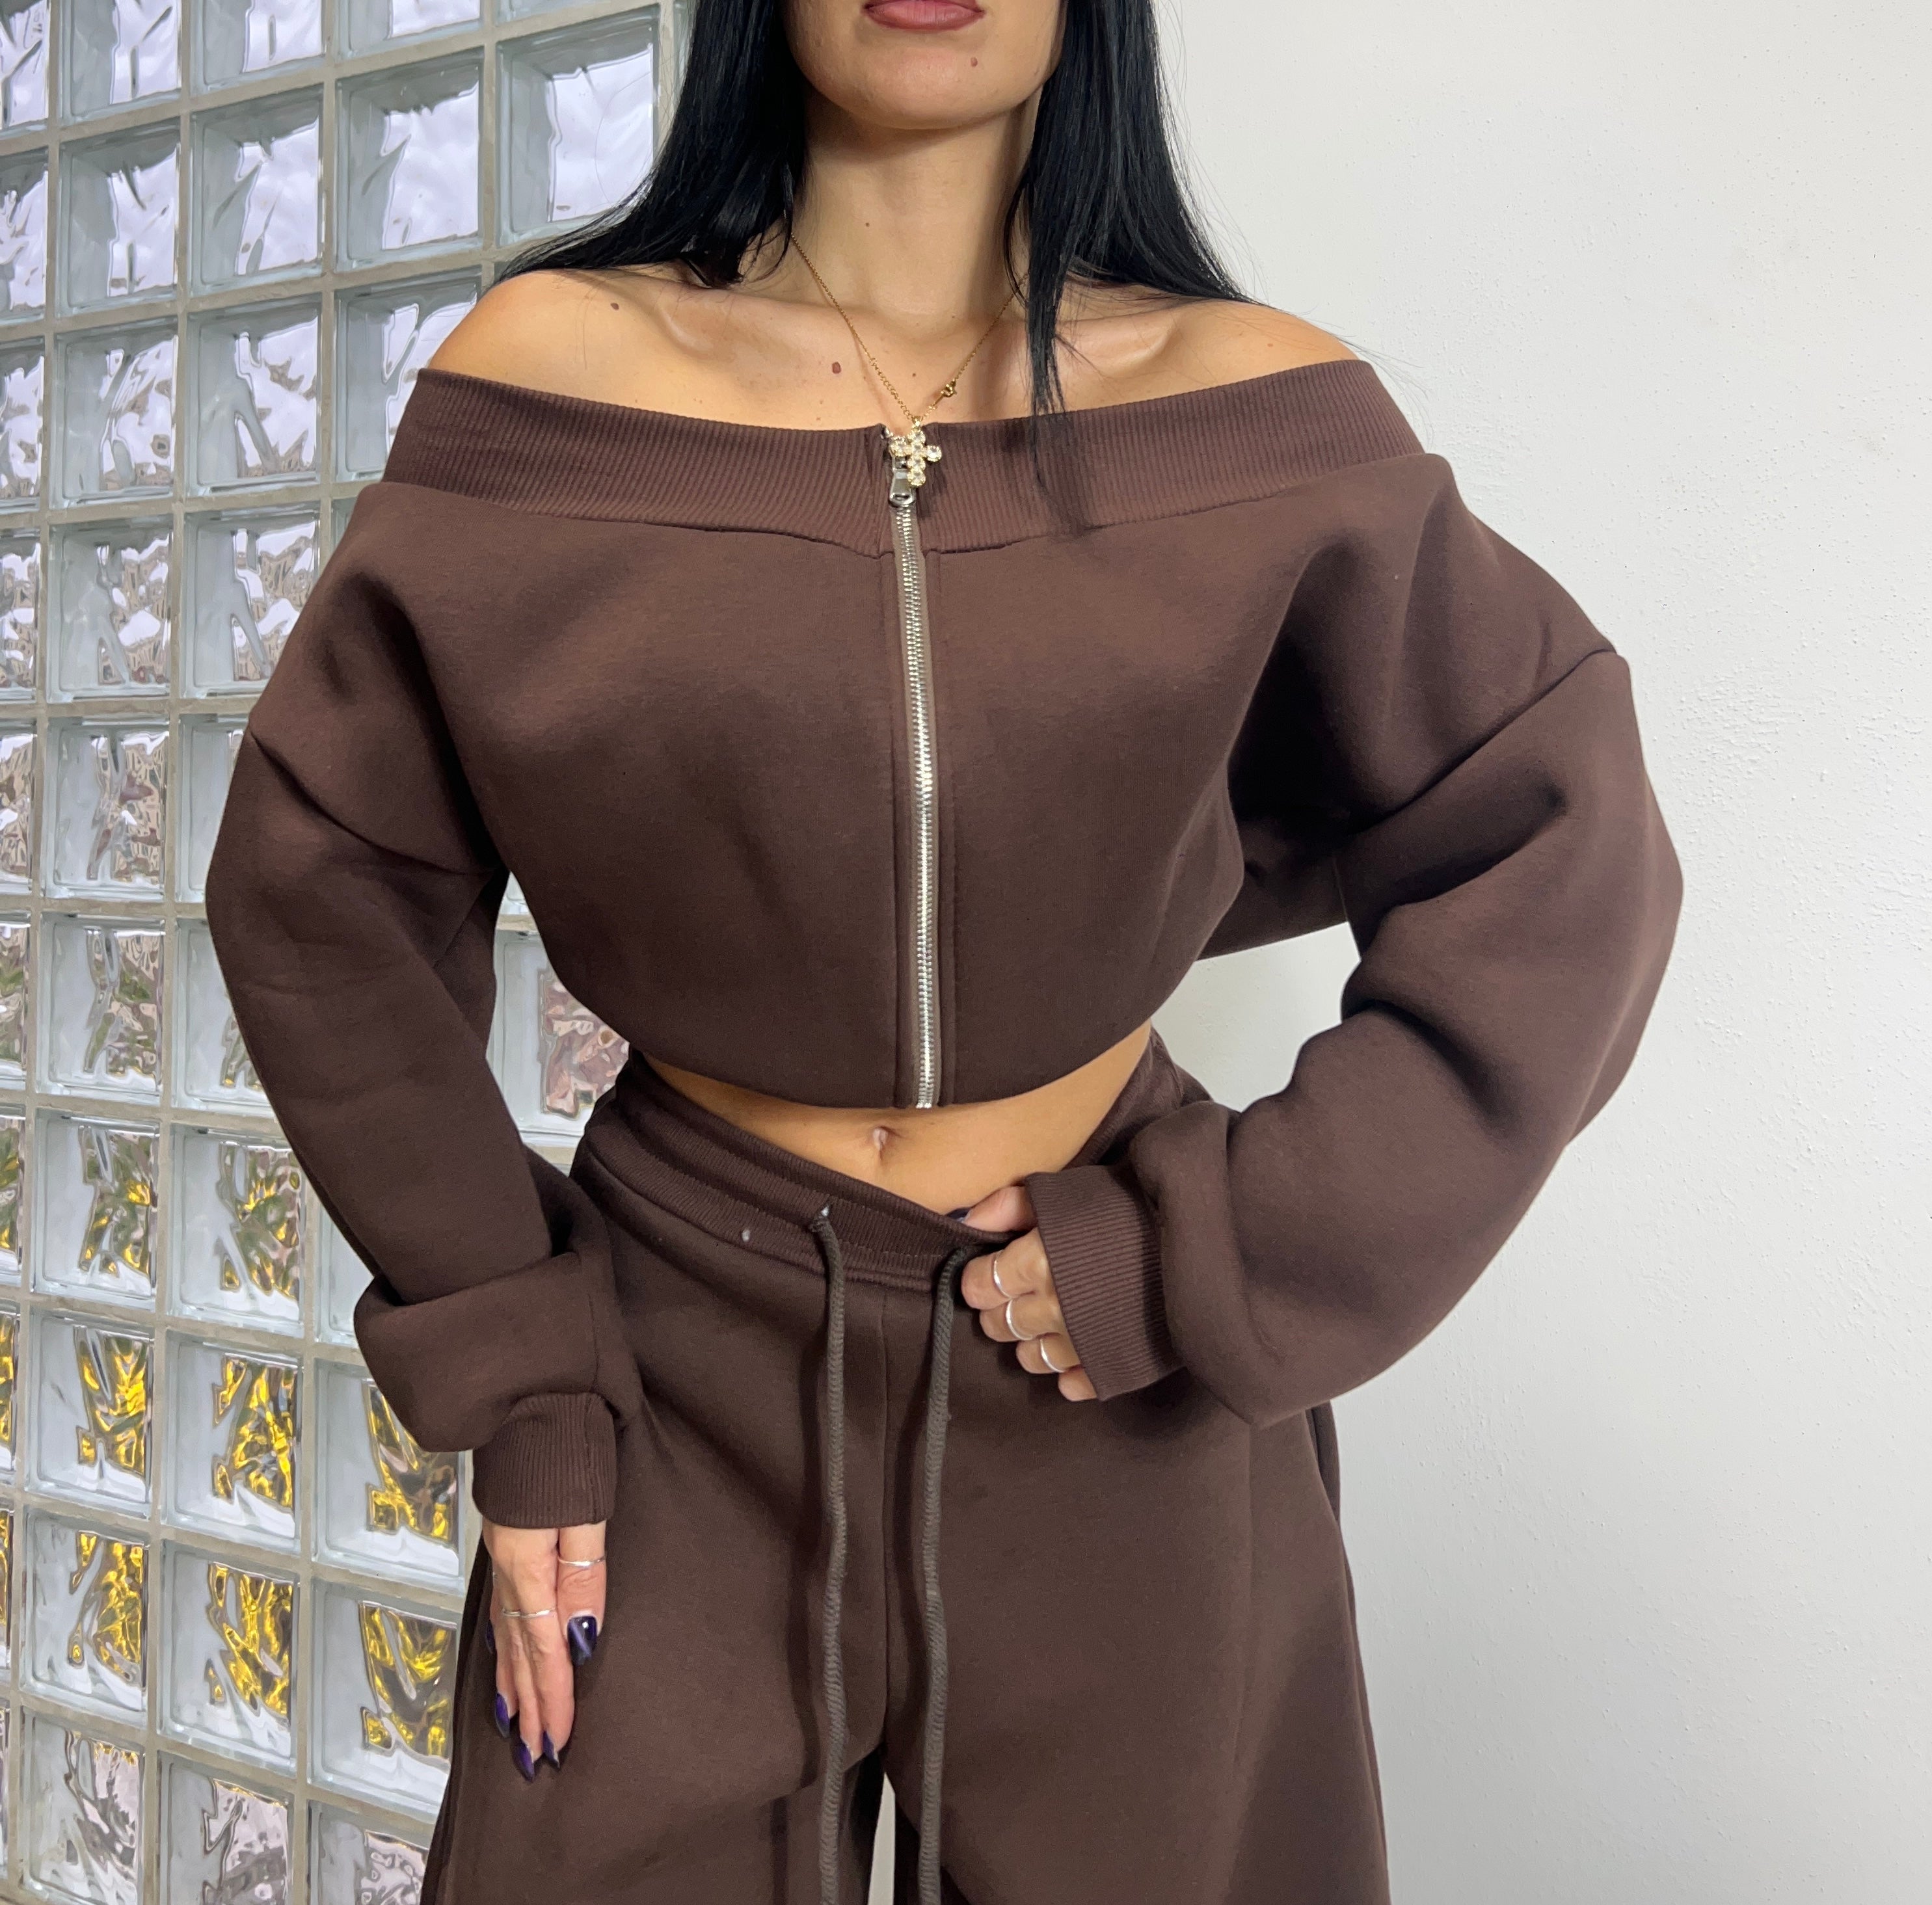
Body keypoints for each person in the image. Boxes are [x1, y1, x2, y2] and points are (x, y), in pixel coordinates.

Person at [202, 1, 1683, 1900]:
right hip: (674, 1375)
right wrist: (521, 1370)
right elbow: (321, 886)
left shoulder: (1253, 405)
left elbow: (1561, 839)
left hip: (1121, 1386)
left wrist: (1213, 1249)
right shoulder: (556, 377)